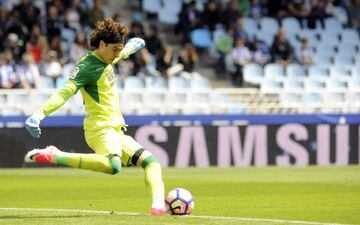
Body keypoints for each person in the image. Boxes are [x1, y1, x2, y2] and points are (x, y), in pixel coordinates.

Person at [23, 18, 167, 215]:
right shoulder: (86, 67)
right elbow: (64, 92)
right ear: (102, 45)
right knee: (114, 166)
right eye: (114, 49)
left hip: (115, 130)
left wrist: (133, 44)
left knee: (152, 163)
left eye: (119, 49)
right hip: (99, 129)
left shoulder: (108, 56)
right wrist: (39, 114)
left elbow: (123, 53)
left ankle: (158, 207)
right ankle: (56, 154)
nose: (117, 53)